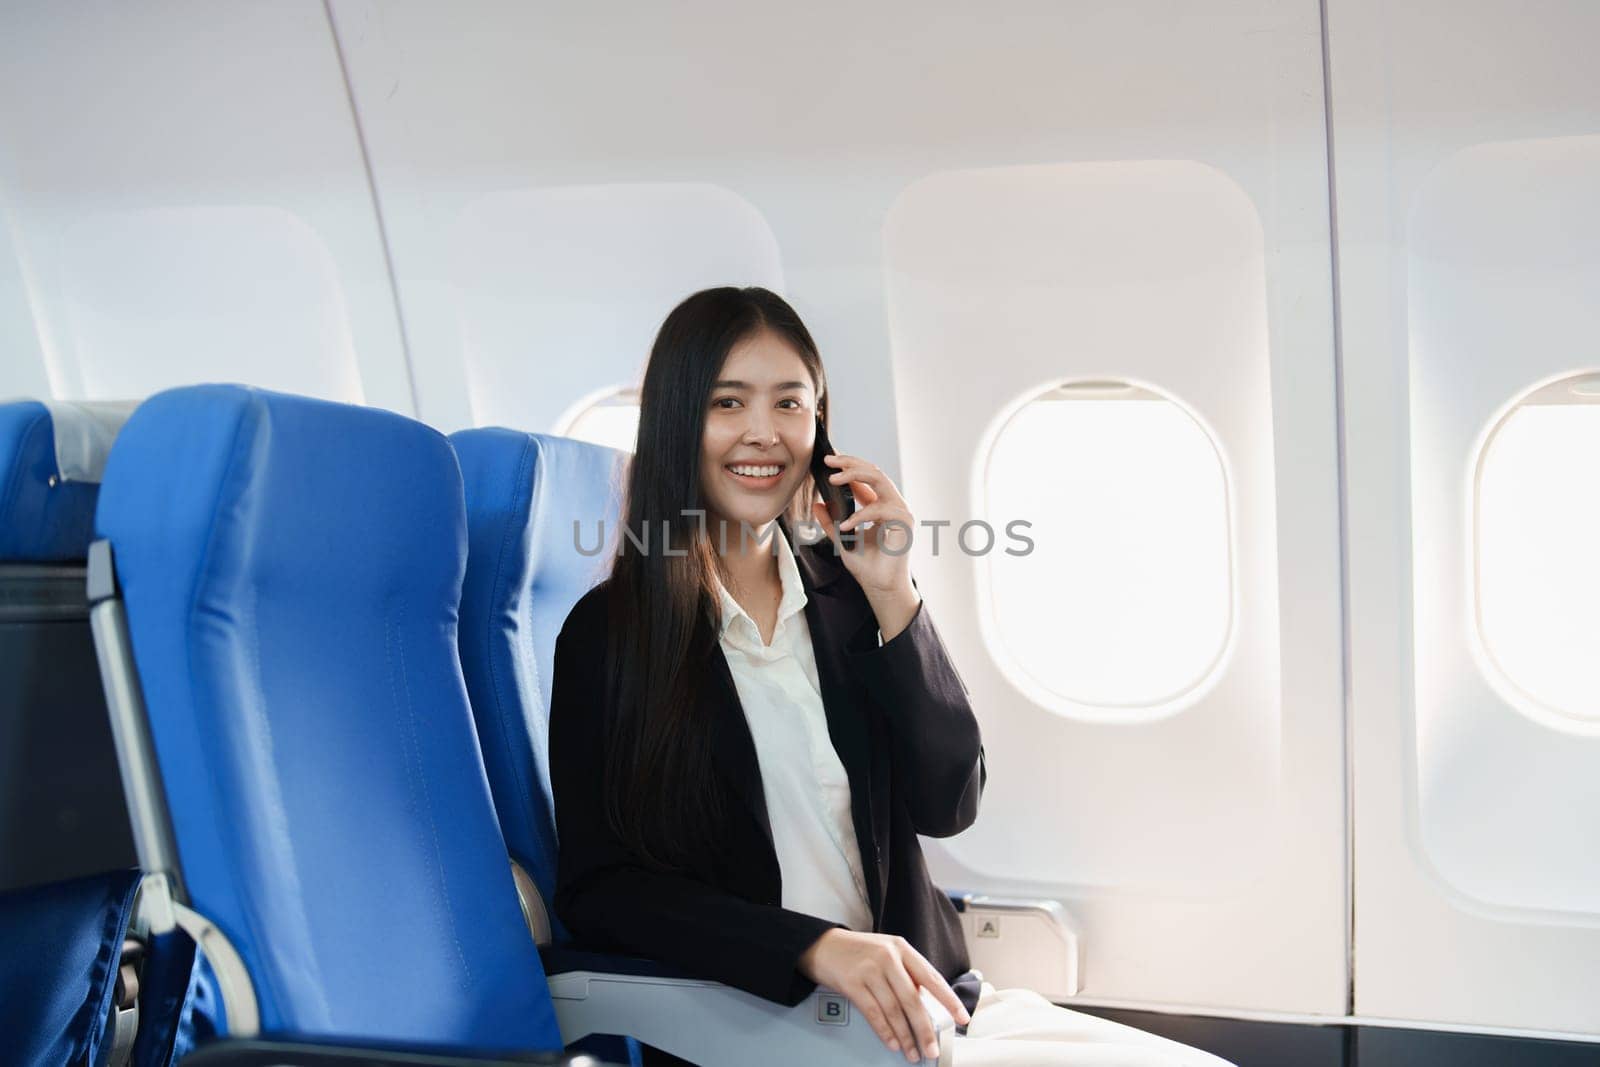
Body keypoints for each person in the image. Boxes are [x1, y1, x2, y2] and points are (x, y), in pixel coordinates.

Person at [548, 286, 1235, 1067]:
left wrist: (893, 593)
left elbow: (951, 802)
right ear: (678, 421)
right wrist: (815, 947)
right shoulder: (610, 635)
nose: (763, 433)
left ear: (820, 425)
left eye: (790, 404)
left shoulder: (846, 596)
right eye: (728, 402)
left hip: (935, 1003)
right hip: (770, 1021)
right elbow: (601, 889)